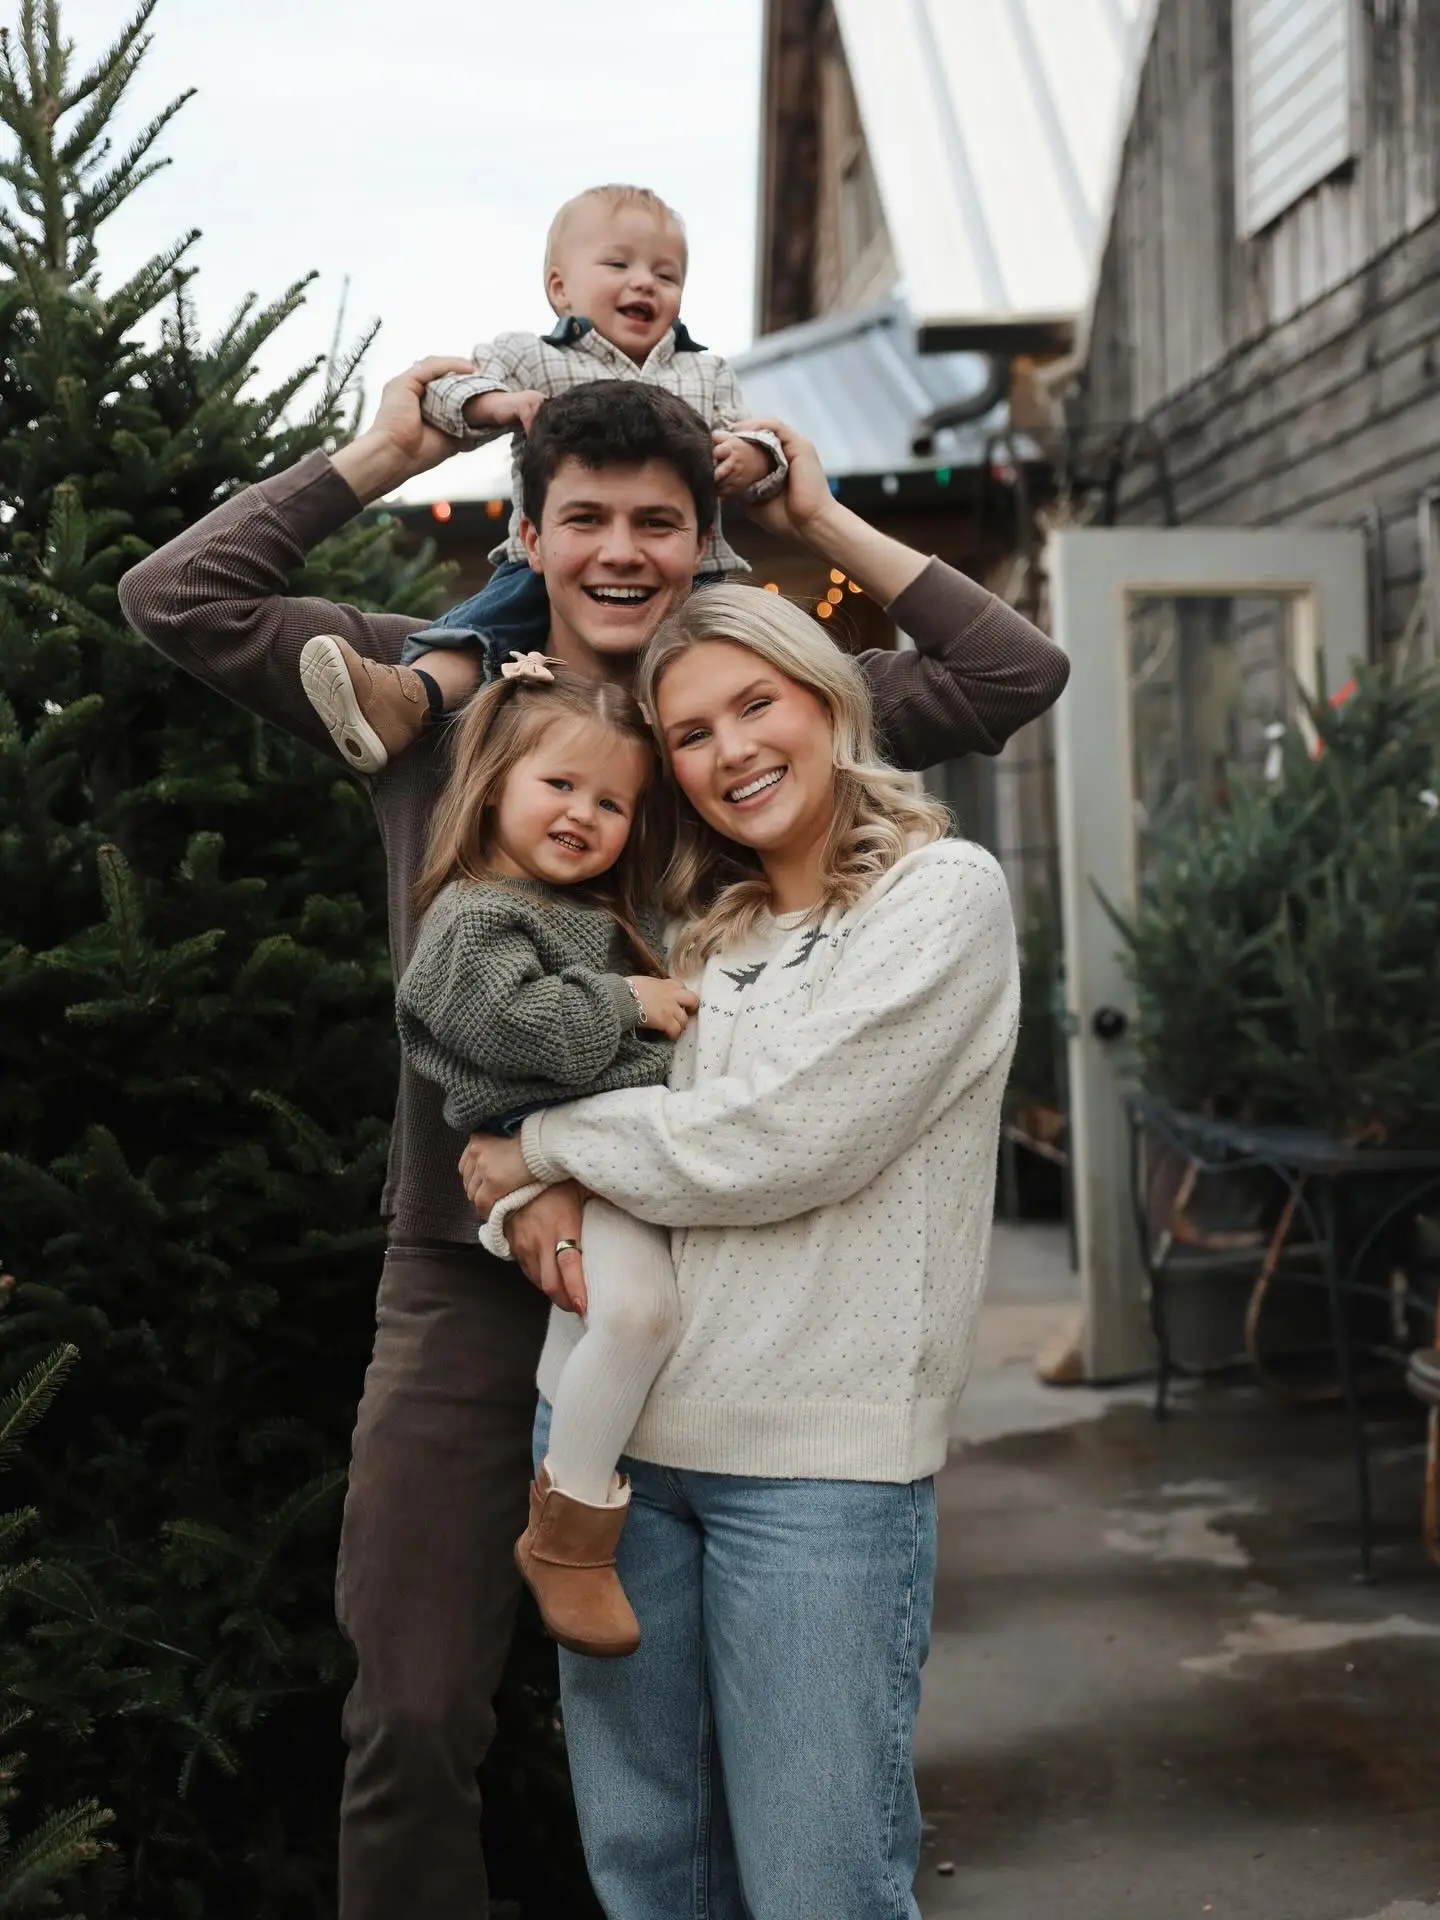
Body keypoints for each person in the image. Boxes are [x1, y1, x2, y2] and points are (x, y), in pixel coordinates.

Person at [116, 355, 1068, 1920]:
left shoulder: (730, 718)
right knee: (414, 1702)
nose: (621, 552)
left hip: (698, 1280)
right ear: (528, 532)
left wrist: (815, 517)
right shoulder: (427, 692)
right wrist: (378, 453)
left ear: (705, 541)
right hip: (462, 1255)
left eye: (658, 522)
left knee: (692, 1763)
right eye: (584, 521)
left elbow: (1013, 671)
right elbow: (179, 601)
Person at [460, 581, 1021, 1918]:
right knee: (650, 1872)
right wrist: (512, 1192)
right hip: (606, 1462)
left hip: (817, 1472)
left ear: (828, 703)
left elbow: (782, 1142)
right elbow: (508, 1072)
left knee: (819, 1883)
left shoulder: (940, 897)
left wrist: (541, 1157)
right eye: (693, 733)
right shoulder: (678, 921)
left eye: (754, 705)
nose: (732, 751)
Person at [395, 658, 693, 1659]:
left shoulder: (582, 910)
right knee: (640, 1313)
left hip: (599, 1152)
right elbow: (510, 1031)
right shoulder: (479, 911)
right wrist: (628, 1004)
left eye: (611, 801)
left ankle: (564, 1468)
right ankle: (569, 1538)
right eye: (558, 786)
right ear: (494, 788)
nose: (582, 815)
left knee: (586, 1322)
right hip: (566, 1146)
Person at [299, 183, 784, 774]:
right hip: (539, 568)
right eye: (618, 264)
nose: (644, 283)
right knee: (482, 628)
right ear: (560, 288)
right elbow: (453, 390)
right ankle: (409, 698)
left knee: (746, 645)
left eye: (666, 275)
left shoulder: (705, 372)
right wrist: (495, 405)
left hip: (699, 573)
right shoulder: (533, 357)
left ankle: (700, 737)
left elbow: (755, 437)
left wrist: (753, 458)